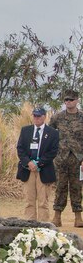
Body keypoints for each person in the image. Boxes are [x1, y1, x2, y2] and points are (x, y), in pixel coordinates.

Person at [16, 107, 59, 222]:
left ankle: (43, 226)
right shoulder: (25, 130)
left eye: (39, 116)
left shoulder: (53, 133)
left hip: (44, 170)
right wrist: (29, 162)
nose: (36, 118)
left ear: (44, 117)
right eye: (34, 116)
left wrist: (39, 163)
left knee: (43, 201)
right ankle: (30, 225)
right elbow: (20, 149)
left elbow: (53, 151)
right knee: (29, 201)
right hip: (28, 169)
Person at [49, 89, 83, 227]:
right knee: (60, 187)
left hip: (78, 158)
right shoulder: (57, 117)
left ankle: (78, 217)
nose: (68, 102)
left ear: (77, 101)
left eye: (71, 100)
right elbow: (49, 134)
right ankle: (57, 217)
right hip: (61, 158)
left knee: (77, 187)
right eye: (66, 100)